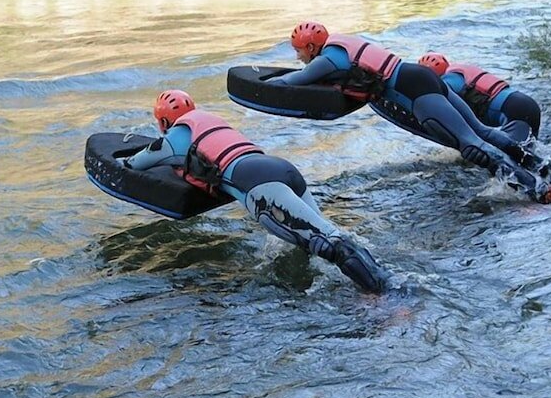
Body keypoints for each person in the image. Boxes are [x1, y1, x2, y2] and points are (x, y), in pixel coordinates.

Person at [121, 89, 390, 293]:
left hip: (261, 187)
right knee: (328, 238)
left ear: (164, 122)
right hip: (281, 169)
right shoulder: (210, 121)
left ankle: (386, 300)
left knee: (331, 246)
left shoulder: (174, 137)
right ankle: (381, 281)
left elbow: (134, 163)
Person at [268, 21, 551, 203]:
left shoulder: (327, 60)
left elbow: (294, 81)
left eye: (298, 51)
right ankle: (543, 167)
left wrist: (265, 83)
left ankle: (536, 189)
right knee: (482, 132)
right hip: (421, 77)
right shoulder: (341, 44)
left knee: (471, 145)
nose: (298, 56)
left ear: (311, 47)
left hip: (415, 91)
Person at [418, 52, 542, 139]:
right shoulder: (459, 71)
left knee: (517, 158)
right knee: (530, 155)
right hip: (527, 104)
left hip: (514, 111)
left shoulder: (448, 81)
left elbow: (441, 103)